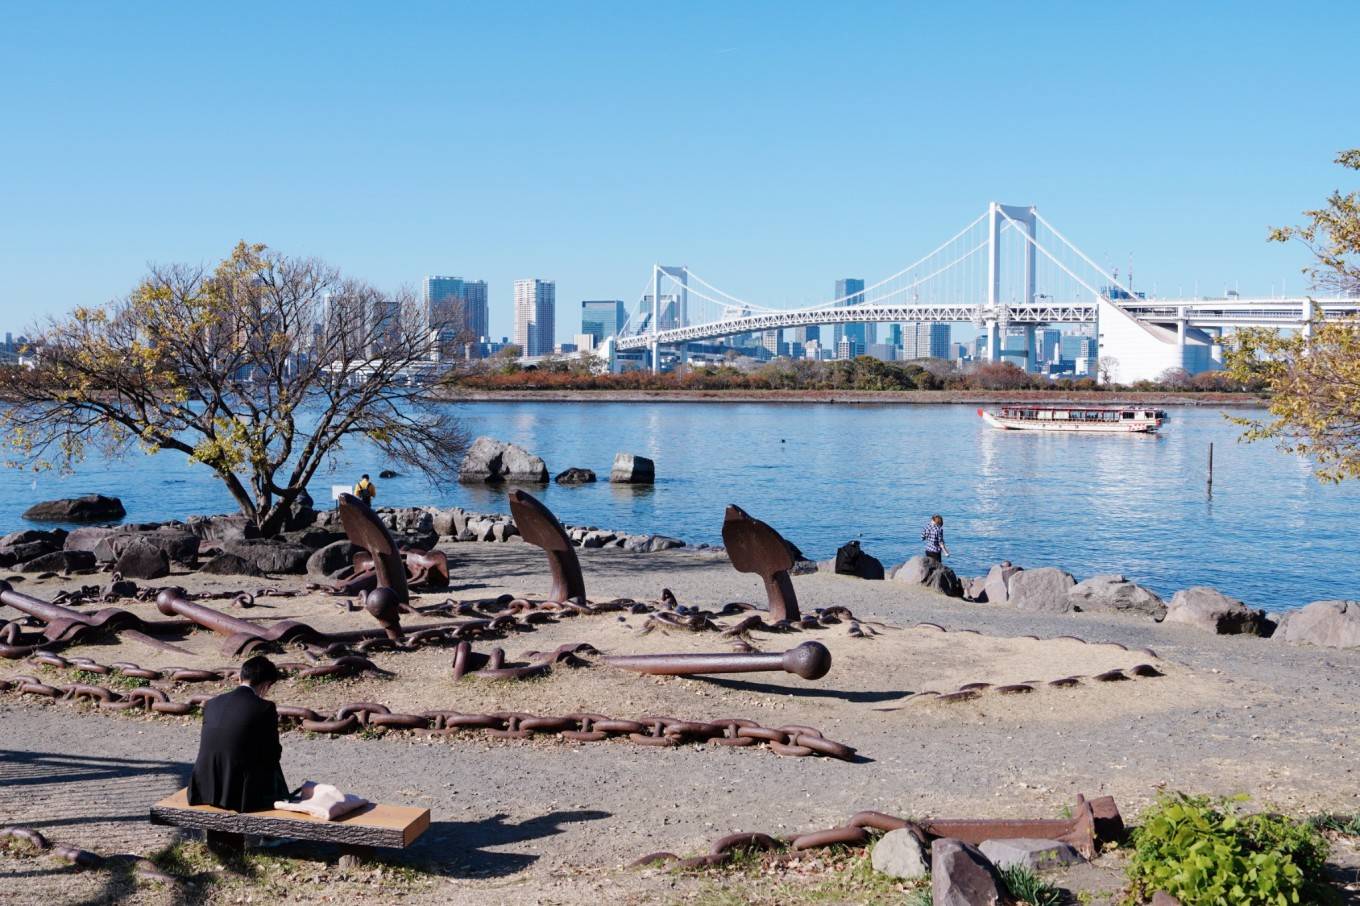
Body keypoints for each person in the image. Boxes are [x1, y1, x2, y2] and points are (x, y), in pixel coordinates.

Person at [188, 655, 289, 813]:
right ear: (266, 685)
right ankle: (272, 831)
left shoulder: (212, 703)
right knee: (271, 764)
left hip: (203, 786)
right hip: (238, 794)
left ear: (241, 677)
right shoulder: (265, 707)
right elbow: (273, 753)